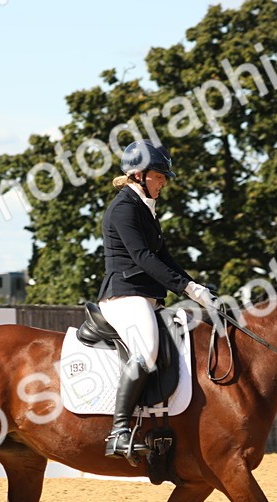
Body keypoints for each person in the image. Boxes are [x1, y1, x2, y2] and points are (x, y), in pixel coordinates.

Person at [98, 139, 217, 458]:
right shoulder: (124, 208)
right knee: (147, 348)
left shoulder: (145, 209)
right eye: (159, 176)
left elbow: (165, 258)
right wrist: (187, 289)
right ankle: (118, 431)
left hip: (147, 297)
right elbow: (143, 258)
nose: (163, 182)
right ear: (139, 175)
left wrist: (196, 287)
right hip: (124, 295)